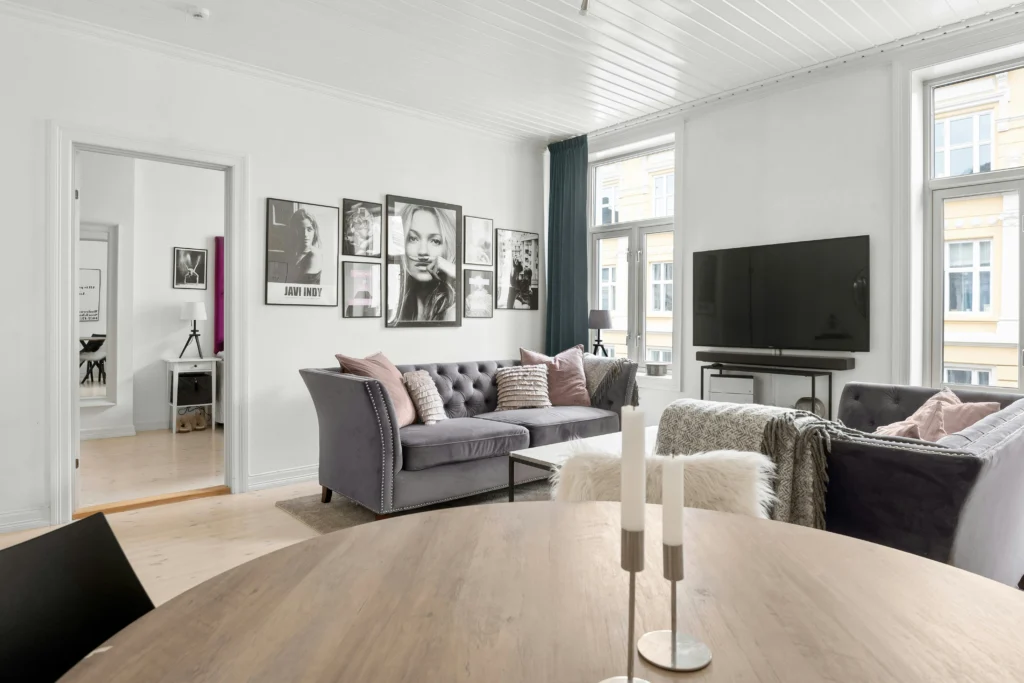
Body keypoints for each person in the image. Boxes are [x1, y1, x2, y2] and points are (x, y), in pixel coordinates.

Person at [391, 203, 457, 323]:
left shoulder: (455, 311)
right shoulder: (391, 306)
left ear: (448, 246)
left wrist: (458, 276)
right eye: (413, 238)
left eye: (435, 241)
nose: (423, 251)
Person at [288, 208, 322, 284]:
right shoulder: (294, 254)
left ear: (314, 232)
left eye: (309, 229)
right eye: (301, 229)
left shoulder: (313, 255)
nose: (305, 234)